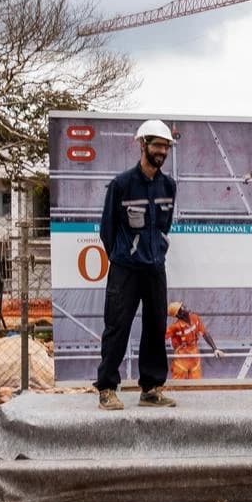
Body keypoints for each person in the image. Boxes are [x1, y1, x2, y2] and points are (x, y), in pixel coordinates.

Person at [94, 119, 179, 411]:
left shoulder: (169, 186)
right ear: (143, 145)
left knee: (156, 327)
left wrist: (155, 252)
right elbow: (107, 229)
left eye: (165, 146)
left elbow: (164, 226)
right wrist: (122, 256)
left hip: (155, 268)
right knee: (117, 326)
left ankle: (151, 388)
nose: (162, 151)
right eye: (156, 145)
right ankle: (106, 388)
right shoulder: (121, 184)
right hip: (125, 269)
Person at [165, 302, 221, 380]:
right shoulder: (175, 327)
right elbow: (160, 337)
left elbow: (204, 333)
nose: (185, 307)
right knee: (178, 386)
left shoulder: (195, 318)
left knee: (196, 386)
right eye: (182, 308)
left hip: (194, 359)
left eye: (183, 305)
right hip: (181, 361)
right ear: (178, 314)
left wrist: (215, 349)